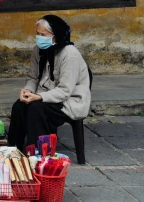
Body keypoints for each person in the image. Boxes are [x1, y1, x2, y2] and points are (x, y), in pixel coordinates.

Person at [7, 15, 92, 151]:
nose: (39, 37)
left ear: (56, 35)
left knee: (35, 108)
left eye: (43, 35)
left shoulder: (69, 55)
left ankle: (37, 152)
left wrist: (40, 97)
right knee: (19, 105)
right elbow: (33, 78)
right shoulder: (38, 50)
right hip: (44, 95)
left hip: (68, 101)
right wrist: (28, 91)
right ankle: (13, 148)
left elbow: (65, 91)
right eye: (37, 34)